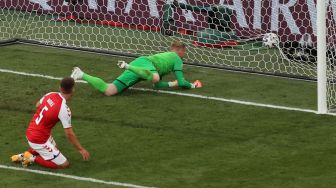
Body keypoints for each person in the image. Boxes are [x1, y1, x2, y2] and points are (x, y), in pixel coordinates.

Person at [11, 77, 90, 169]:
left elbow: (37, 105)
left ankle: (23, 155)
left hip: (32, 129)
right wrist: (80, 149)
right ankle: (31, 158)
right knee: (64, 164)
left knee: (53, 146)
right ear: (73, 90)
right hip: (38, 138)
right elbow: (69, 133)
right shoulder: (64, 109)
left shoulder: (51, 94)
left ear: (60, 87)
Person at [70, 41, 202, 96]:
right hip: (144, 64)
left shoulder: (167, 58)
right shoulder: (177, 58)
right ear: (180, 51)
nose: (184, 55)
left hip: (141, 66)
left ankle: (81, 74)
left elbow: (157, 85)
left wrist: (173, 84)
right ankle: (127, 66)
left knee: (109, 91)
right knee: (155, 76)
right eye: (184, 52)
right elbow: (182, 81)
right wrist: (193, 85)